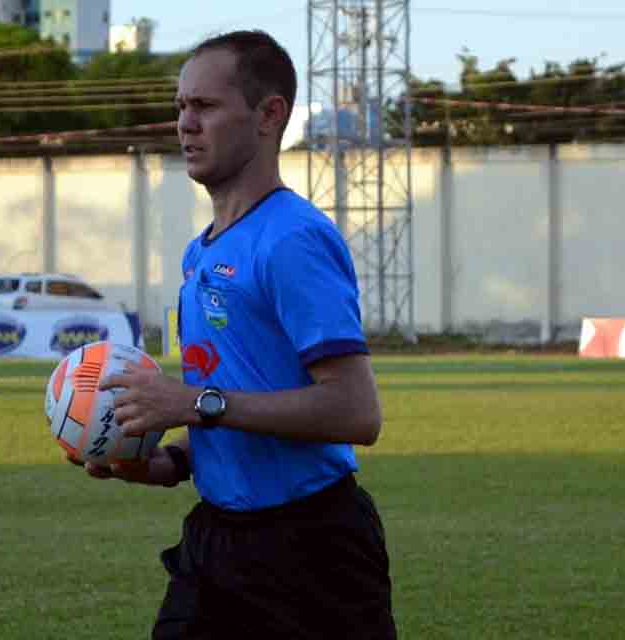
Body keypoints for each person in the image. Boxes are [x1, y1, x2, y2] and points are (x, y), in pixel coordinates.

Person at [87, 29, 397, 639]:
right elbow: (230, 414)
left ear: (268, 114)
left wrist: (191, 404)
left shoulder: (293, 240)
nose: (185, 124)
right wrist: (162, 464)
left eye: (204, 107)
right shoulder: (199, 253)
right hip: (216, 543)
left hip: (313, 554)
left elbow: (356, 413)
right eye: (180, 107)